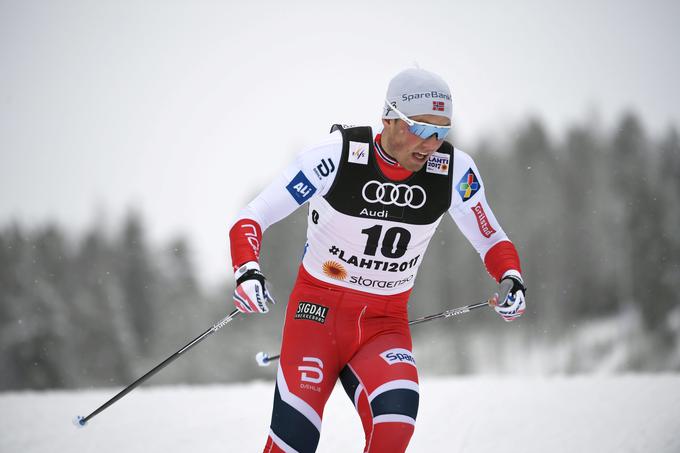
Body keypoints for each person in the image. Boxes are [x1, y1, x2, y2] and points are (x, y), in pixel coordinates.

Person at [228, 67, 526, 453]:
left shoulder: (453, 171)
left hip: (385, 324)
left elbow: (491, 238)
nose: (431, 143)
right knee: (293, 442)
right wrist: (247, 270)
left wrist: (511, 276)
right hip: (316, 317)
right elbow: (251, 217)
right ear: (389, 118)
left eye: (442, 132)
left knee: (396, 423)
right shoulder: (335, 158)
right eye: (422, 128)